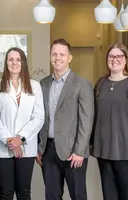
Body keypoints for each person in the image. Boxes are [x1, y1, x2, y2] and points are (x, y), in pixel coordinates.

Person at [90, 43, 128, 200]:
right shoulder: (100, 84)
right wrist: (92, 143)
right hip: (104, 151)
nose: (114, 59)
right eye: (111, 56)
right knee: (109, 196)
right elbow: (94, 116)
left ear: (126, 59)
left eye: (119, 56)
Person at [37, 38, 94, 200]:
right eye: (54, 54)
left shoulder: (82, 84)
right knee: (52, 196)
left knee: (78, 195)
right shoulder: (43, 84)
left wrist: (79, 151)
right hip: (48, 151)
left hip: (73, 152)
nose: (57, 58)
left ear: (69, 57)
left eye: (62, 54)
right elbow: (40, 117)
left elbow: (86, 120)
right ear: (50, 56)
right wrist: (39, 147)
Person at [0, 47, 44, 200]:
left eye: (18, 59)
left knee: (24, 193)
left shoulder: (35, 86)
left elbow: (38, 118)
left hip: (26, 147)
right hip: (2, 147)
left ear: (23, 62)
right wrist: (10, 140)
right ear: (5, 63)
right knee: (6, 193)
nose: (14, 62)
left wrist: (20, 139)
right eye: (10, 59)